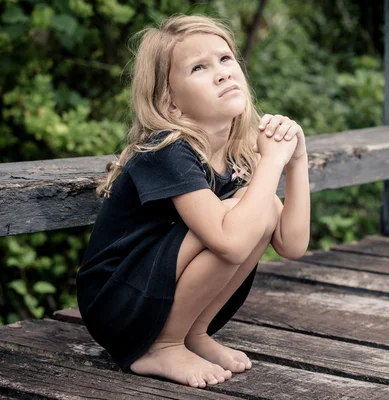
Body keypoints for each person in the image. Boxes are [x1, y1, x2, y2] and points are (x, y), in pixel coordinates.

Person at [75, 14, 310, 389]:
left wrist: (296, 161)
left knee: (257, 208)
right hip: (117, 302)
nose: (221, 73)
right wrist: (272, 162)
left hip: (157, 296)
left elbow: (292, 245)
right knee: (234, 220)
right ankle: (161, 346)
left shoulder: (236, 154)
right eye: (199, 67)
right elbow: (228, 240)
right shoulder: (166, 150)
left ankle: (192, 334)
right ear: (171, 104)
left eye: (225, 59)